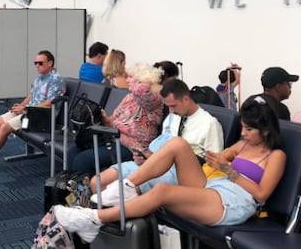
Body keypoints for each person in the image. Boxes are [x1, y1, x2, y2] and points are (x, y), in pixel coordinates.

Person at [54, 96, 286, 243]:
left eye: (249, 130)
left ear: (266, 131)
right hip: (214, 186)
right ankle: (128, 187)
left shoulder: (275, 156)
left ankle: (94, 219)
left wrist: (229, 170)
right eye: (243, 128)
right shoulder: (243, 144)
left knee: (163, 191)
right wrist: (216, 160)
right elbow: (218, 159)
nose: (243, 133)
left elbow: (262, 194)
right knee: (176, 144)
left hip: (236, 201)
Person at [90, 78, 224, 206]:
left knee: (124, 194)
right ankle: (108, 224)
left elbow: (214, 164)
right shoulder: (173, 117)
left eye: (173, 106)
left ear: (186, 99)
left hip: (175, 173)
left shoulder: (210, 124)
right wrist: (143, 156)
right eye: (168, 107)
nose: (171, 111)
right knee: (97, 182)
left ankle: (121, 220)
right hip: (149, 163)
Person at [67, 63, 164, 174]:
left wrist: (146, 80)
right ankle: (72, 187)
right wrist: (104, 118)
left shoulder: (152, 100)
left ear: (141, 80)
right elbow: (113, 120)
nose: (127, 80)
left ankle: (87, 190)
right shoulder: (128, 97)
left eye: (131, 77)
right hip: (113, 138)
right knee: (73, 152)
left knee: (83, 160)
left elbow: (143, 90)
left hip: (133, 147)